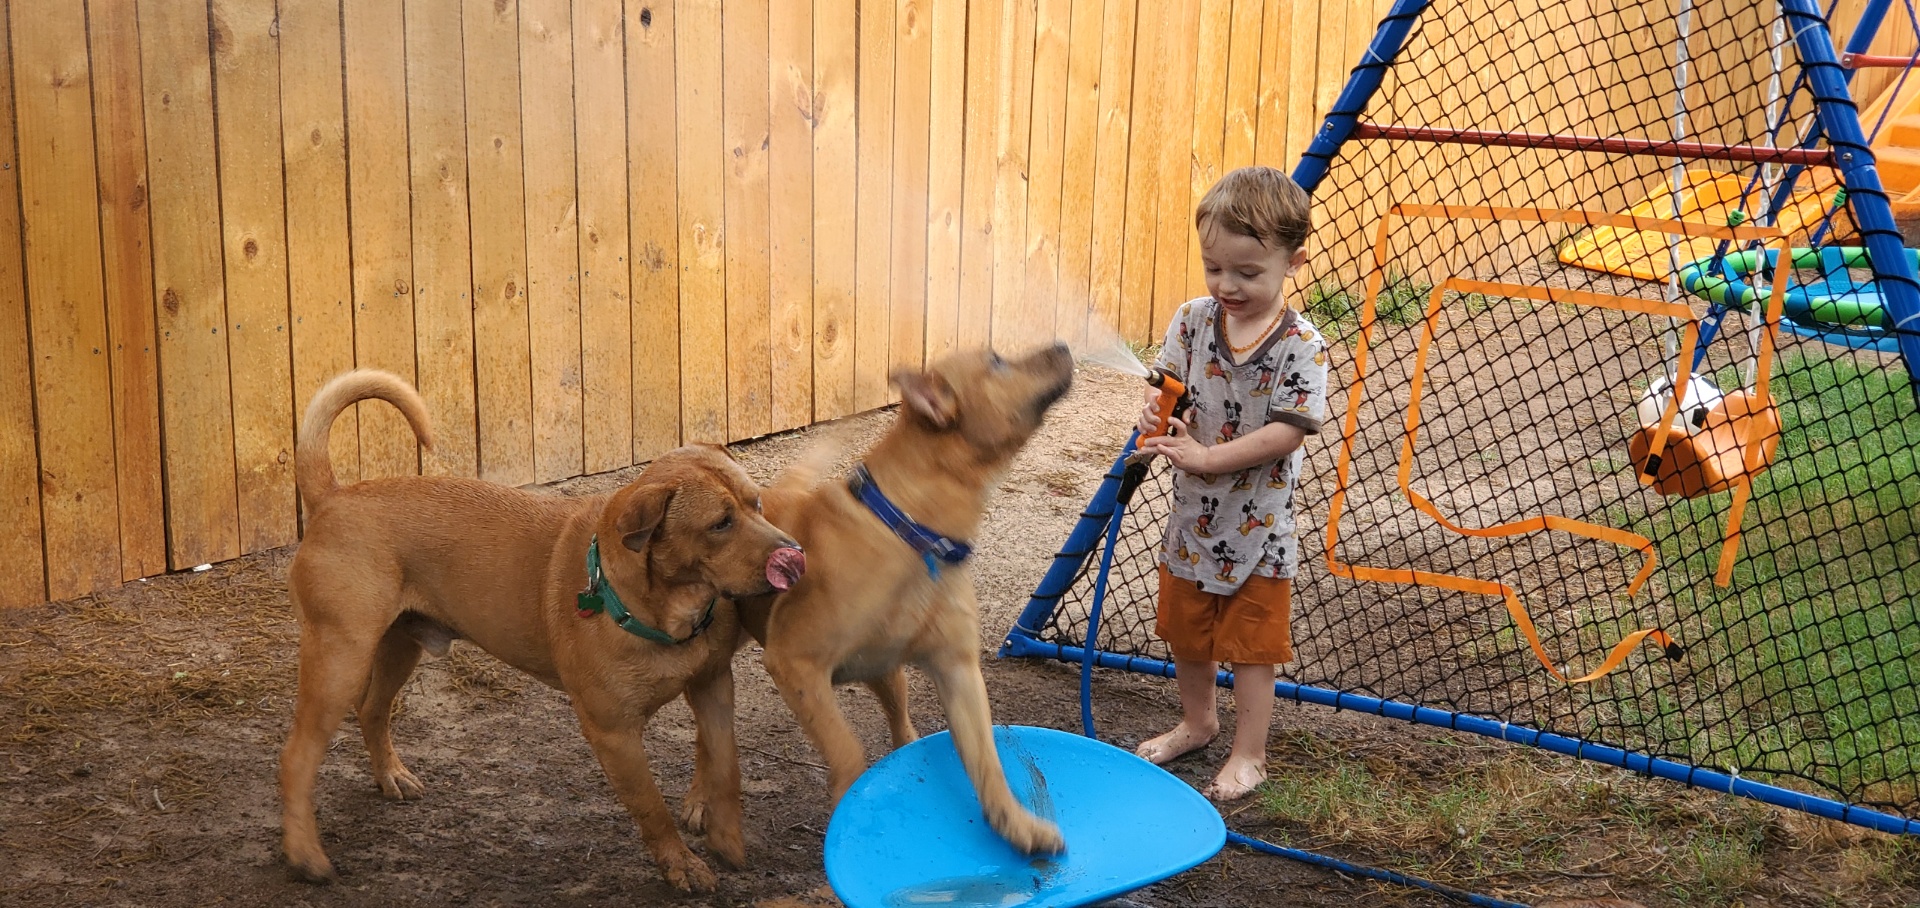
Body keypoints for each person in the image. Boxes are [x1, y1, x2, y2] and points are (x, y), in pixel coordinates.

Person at [1132, 166, 1328, 801]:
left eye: (1248, 272)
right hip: (1193, 520)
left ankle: (1250, 754)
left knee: (1249, 648)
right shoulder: (1192, 320)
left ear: (1294, 260)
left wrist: (1206, 458)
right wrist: (1158, 412)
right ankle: (1197, 721)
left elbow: (1285, 434)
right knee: (1188, 632)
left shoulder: (1302, 345)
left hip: (1261, 530)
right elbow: (1169, 386)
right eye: (1215, 268)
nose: (1228, 285)